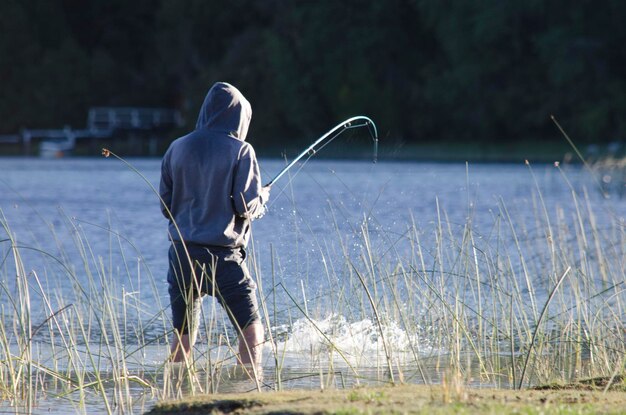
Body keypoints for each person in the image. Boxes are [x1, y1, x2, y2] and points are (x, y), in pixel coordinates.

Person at [159, 82, 269, 373]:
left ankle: (175, 392)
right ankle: (247, 390)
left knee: (182, 339)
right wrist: (262, 199)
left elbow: (165, 207)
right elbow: (245, 206)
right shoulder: (242, 150)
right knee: (251, 331)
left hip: (180, 255)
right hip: (222, 258)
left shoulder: (176, 148)